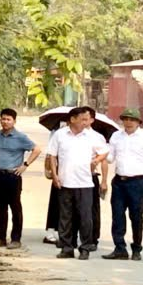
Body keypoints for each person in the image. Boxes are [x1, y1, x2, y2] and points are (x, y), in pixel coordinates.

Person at [45, 106, 109, 260]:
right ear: (72, 119)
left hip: (85, 183)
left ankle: (85, 248)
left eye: (87, 120)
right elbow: (52, 156)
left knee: (85, 218)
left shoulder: (91, 136)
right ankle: (67, 248)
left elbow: (104, 151)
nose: (85, 123)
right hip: (65, 182)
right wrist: (54, 175)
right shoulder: (60, 135)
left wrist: (96, 160)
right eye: (83, 119)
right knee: (65, 217)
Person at [102, 108, 143, 261]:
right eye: (126, 119)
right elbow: (110, 158)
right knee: (117, 215)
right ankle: (120, 248)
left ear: (138, 122)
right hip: (119, 182)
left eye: (132, 120)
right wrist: (100, 151)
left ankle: (136, 248)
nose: (128, 122)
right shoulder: (116, 136)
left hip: (137, 182)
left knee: (136, 216)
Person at [0, 108, 40, 248]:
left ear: (14, 121)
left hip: (13, 176)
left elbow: (37, 149)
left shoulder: (20, 137)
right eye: (3, 119)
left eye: (8, 119)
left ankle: (16, 239)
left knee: (15, 207)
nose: (5, 122)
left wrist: (25, 165)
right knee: (1, 208)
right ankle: (1, 237)